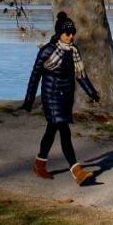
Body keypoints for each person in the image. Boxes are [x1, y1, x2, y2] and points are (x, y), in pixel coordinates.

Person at [22, 11, 100, 184]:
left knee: (52, 130)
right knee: (64, 130)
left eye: (73, 33)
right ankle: (76, 171)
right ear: (59, 33)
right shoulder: (47, 51)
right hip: (50, 97)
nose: (71, 36)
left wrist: (92, 93)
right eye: (67, 33)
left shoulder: (74, 52)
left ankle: (40, 164)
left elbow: (81, 76)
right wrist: (29, 101)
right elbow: (35, 77)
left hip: (65, 98)